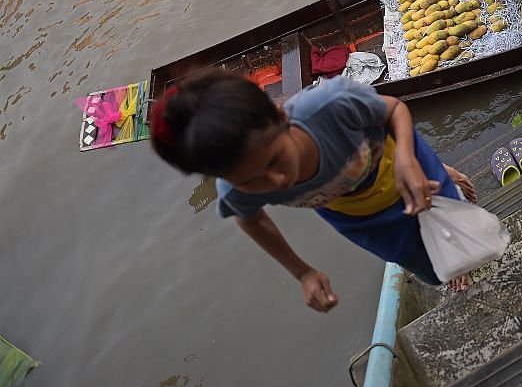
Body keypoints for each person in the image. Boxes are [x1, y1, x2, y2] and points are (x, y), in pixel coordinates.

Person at [150, 68, 478, 312]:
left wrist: (407, 156)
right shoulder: (237, 189)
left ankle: (442, 172)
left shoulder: (330, 106)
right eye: (252, 181)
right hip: (359, 216)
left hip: (403, 166)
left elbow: (393, 110)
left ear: (281, 116)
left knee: (458, 227)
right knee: (428, 267)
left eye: (276, 160)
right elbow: (249, 219)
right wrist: (302, 272)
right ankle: (448, 270)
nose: (276, 182)